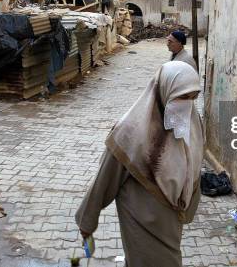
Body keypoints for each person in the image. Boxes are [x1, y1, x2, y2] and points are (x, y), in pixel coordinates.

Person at [75, 61, 204, 267]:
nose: (187, 104)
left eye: (192, 98)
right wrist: (87, 220)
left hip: (171, 221)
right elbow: (104, 178)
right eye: (181, 97)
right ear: (163, 92)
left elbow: (194, 168)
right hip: (140, 218)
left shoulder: (191, 124)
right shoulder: (130, 132)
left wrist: (187, 207)